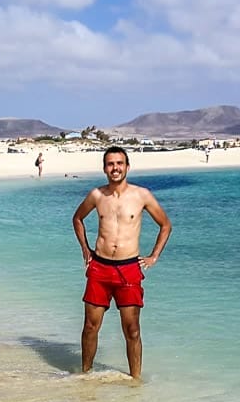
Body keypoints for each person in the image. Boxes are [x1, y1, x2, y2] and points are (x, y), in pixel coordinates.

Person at [72, 146, 172, 380]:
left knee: (133, 330)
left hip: (129, 269)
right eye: (110, 164)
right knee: (90, 327)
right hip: (100, 268)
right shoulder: (97, 195)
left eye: (119, 163)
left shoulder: (142, 195)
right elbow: (77, 218)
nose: (115, 168)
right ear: (104, 168)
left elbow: (165, 225)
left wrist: (154, 256)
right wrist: (85, 249)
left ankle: (135, 381)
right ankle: (85, 376)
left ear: (127, 167)